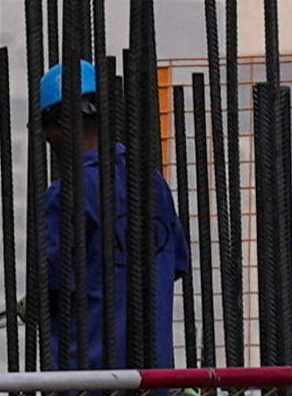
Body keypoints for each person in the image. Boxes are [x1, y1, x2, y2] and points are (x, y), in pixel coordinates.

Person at [33, 64, 190, 371]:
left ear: (60, 124)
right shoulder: (152, 182)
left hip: (86, 387)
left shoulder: (65, 195)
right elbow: (177, 264)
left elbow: (50, 284)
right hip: (152, 382)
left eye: (44, 128)